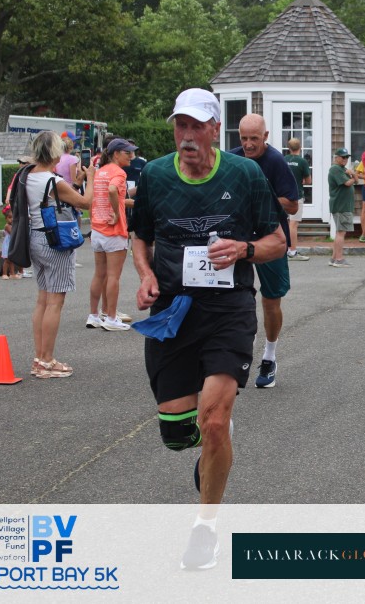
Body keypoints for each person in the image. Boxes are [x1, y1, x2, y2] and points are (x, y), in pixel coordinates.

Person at [131, 88, 285, 569]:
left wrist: (243, 250)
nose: (188, 136)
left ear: (216, 129)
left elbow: (278, 241)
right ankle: (214, 443)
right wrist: (146, 275)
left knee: (213, 422)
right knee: (178, 435)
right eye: (181, 125)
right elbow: (140, 236)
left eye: (197, 126)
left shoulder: (245, 174)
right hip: (173, 311)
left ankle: (205, 529)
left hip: (227, 309)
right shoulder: (155, 175)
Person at [230, 113, 301, 389]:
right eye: (244, 138)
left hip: (271, 238)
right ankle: (231, 356)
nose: (248, 144)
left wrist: (259, 198)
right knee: (233, 299)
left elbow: (292, 204)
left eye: (254, 139)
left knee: (271, 301)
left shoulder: (276, 162)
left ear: (266, 137)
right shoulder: (232, 158)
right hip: (239, 237)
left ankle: (270, 356)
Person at [18, 131, 96, 378]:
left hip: (35, 237)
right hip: (54, 240)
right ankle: (47, 360)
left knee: (43, 299)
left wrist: (77, 182)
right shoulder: (53, 181)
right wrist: (91, 178)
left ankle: (39, 357)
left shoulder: (27, 175)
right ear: (55, 153)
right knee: (55, 302)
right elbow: (85, 202)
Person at [86, 138, 136, 332]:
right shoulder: (119, 172)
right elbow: (113, 189)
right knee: (114, 276)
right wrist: (116, 213)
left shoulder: (100, 171)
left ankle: (94, 315)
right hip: (113, 231)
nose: (131, 156)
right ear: (116, 154)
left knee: (99, 274)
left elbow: (95, 197)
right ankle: (111, 317)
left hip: (97, 229)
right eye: (127, 153)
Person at [328, 148, 358, 267]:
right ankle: (339, 259)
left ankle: (334, 258)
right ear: (336, 157)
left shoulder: (343, 169)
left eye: (347, 157)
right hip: (341, 206)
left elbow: (355, 181)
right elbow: (348, 183)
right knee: (341, 232)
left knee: (339, 232)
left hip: (343, 205)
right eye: (343, 157)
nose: (345, 159)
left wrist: (352, 174)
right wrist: (353, 176)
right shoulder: (335, 169)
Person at [284, 137, 311, 260]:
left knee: (284, 223)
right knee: (293, 224)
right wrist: (302, 180)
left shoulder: (283, 160)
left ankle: (284, 249)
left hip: (283, 195)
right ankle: (292, 251)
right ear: (300, 147)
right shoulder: (302, 161)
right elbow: (308, 181)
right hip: (296, 195)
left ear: (289, 148)